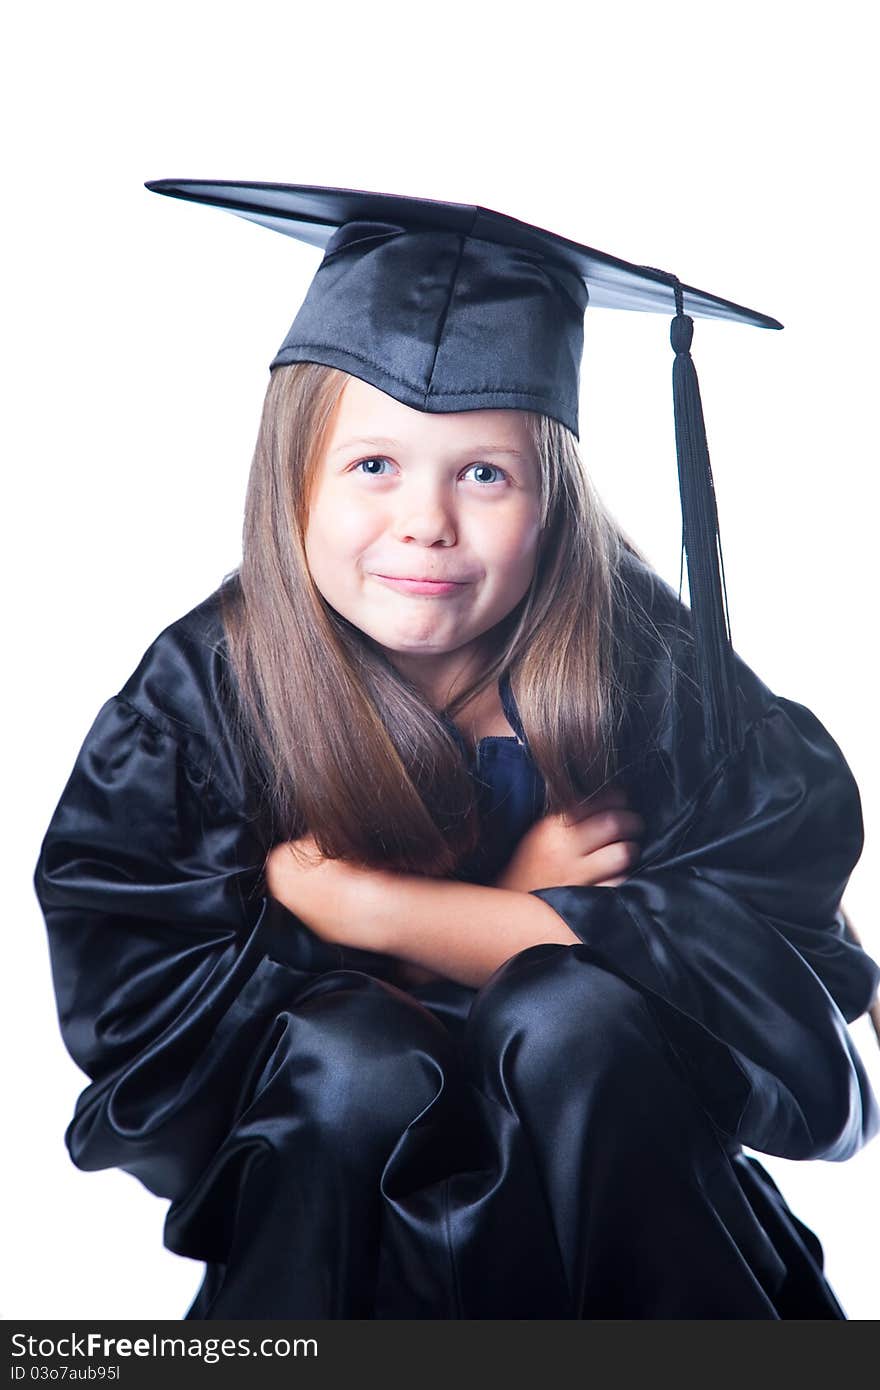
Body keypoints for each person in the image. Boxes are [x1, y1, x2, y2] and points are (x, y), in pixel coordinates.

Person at [33, 180, 880, 1319]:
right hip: (336, 1246)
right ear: (291, 483)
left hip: (640, 1230)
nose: (426, 522)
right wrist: (522, 925)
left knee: (570, 1018)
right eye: (373, 466)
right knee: (348, 1059)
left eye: (484, 472)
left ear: (553, 500)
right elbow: (161, 1046)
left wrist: (385, 913)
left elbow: (774, 975)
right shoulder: (203, 702)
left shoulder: (647, 679)